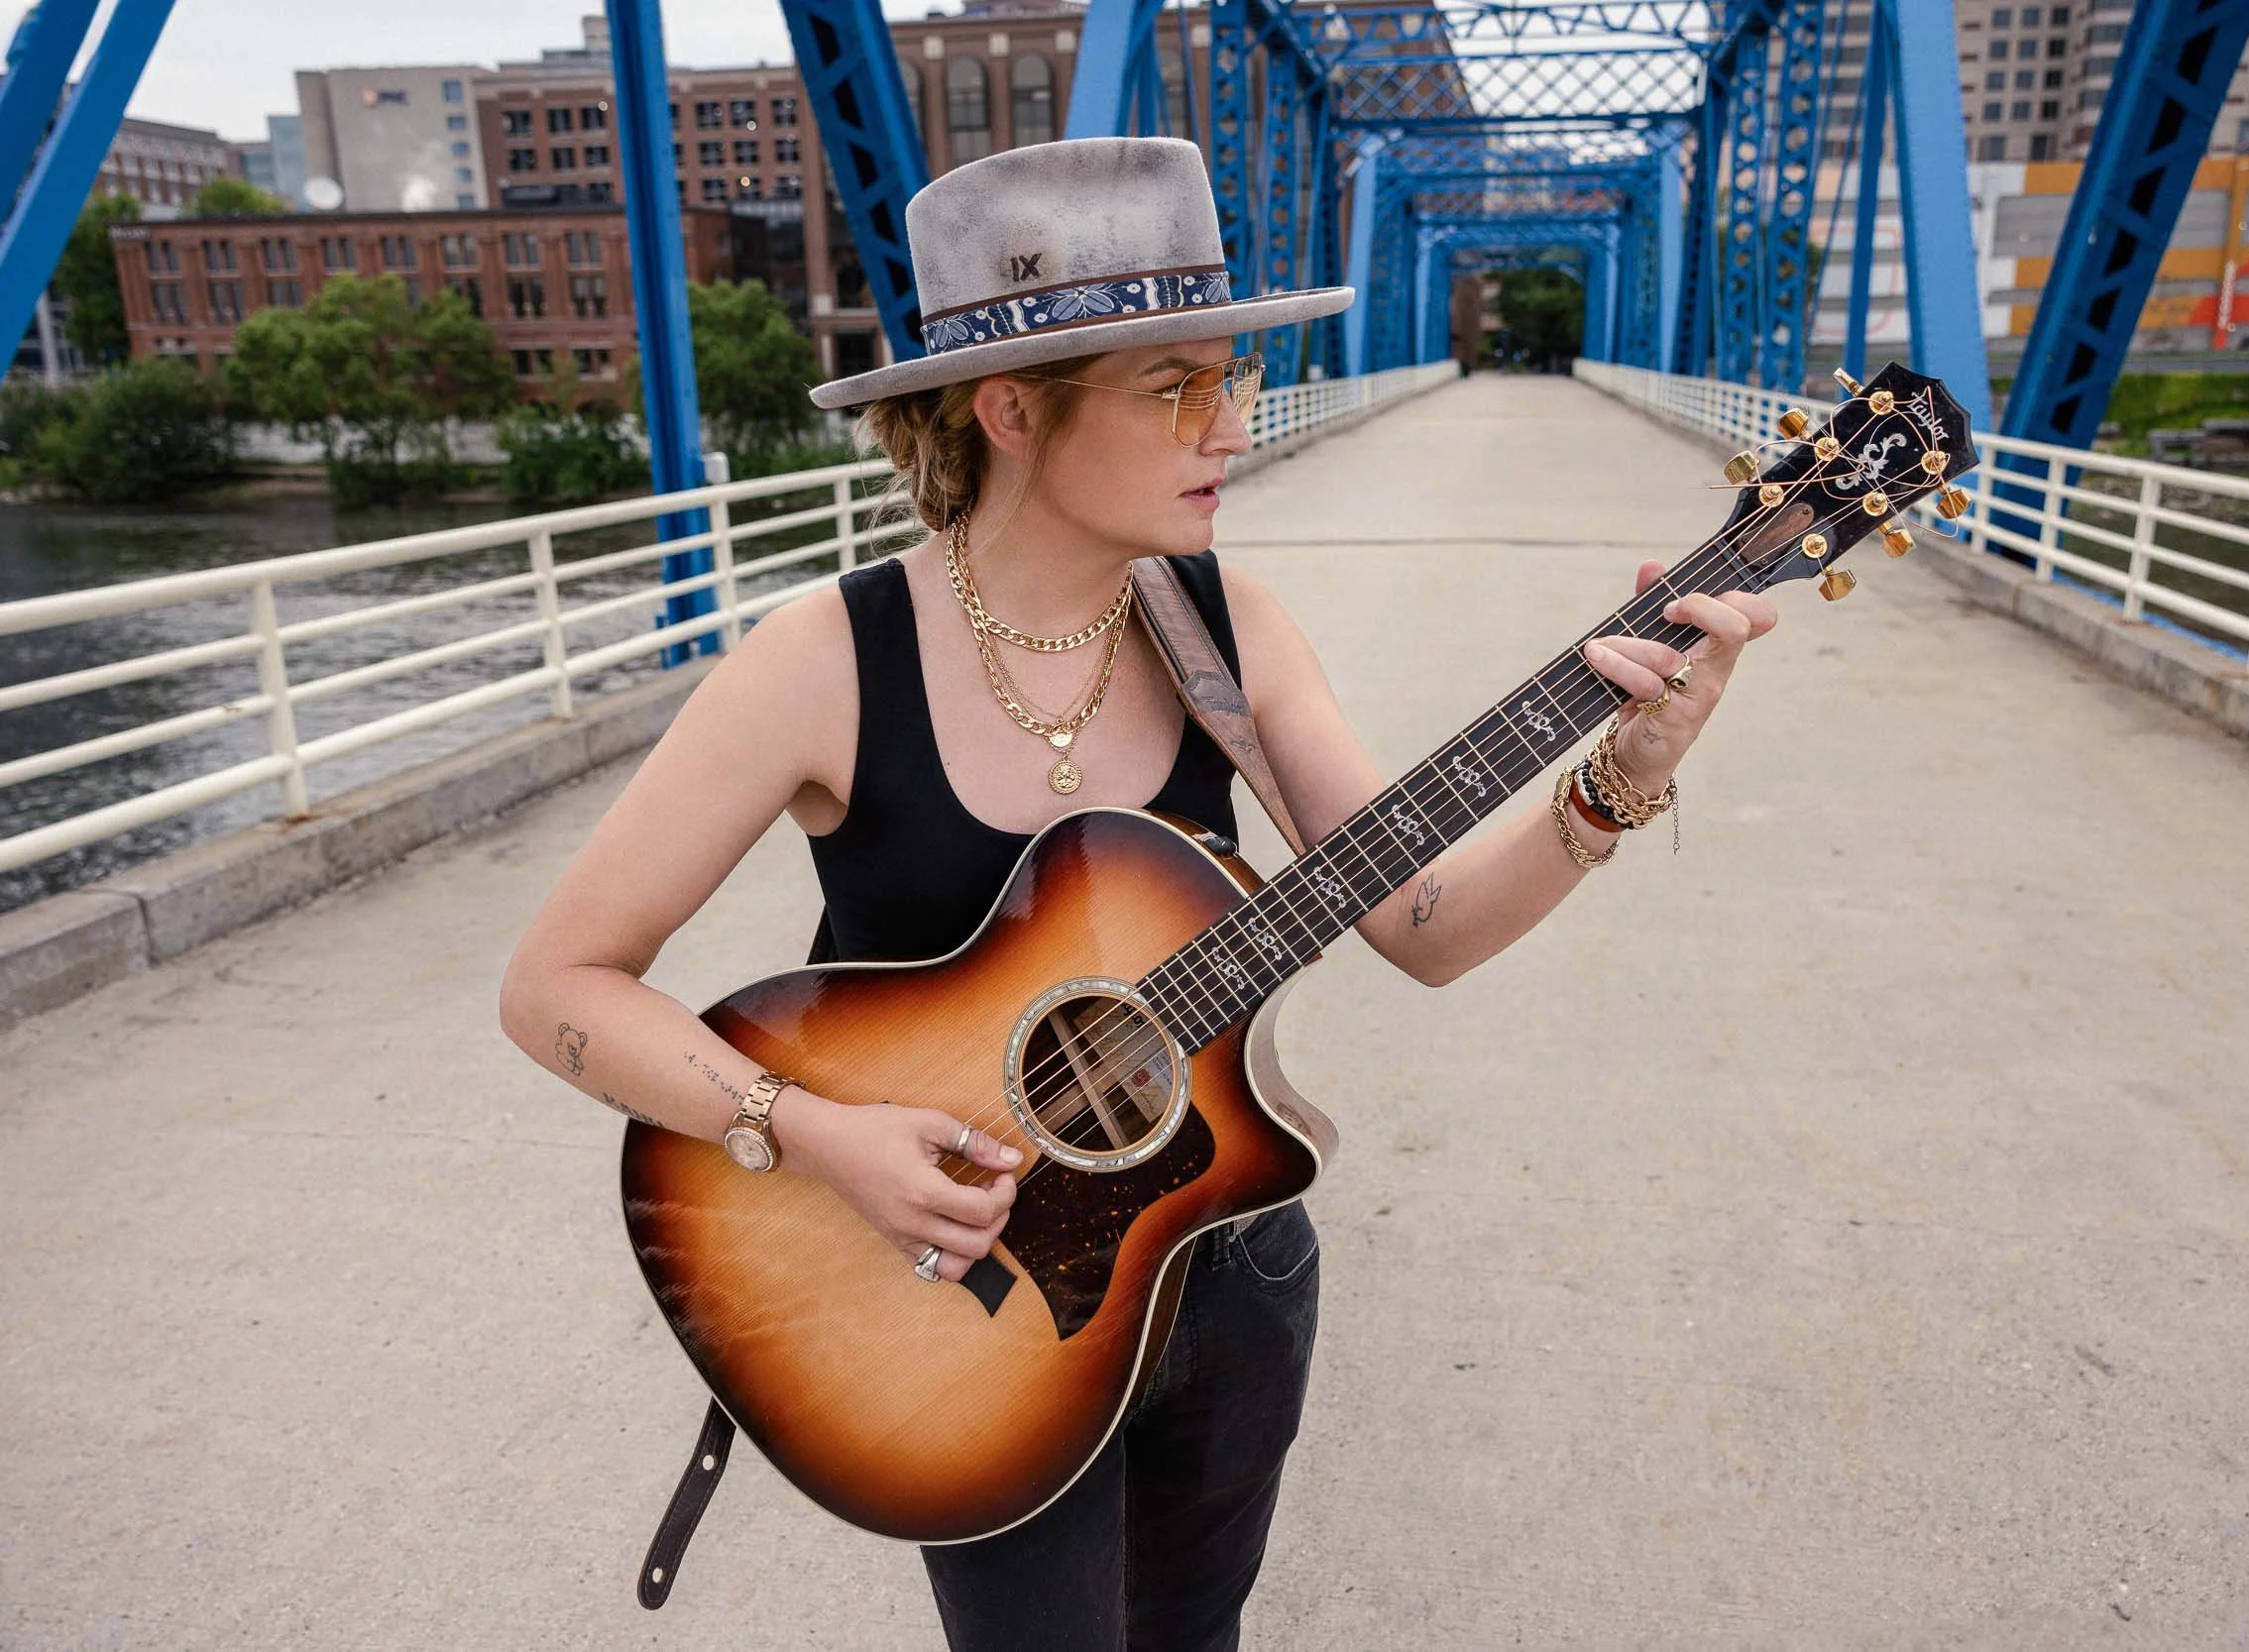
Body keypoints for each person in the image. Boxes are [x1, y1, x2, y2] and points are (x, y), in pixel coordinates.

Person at [497, 136, 1775, 1651]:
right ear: (1012, 410)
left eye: (1230, 378)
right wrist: (817, 1133)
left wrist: (1615, 781)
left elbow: (1421, 929)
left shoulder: (1232, 629)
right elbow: (555, 985)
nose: (1229, 423)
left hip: (1228, 1269)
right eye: (1177, 387)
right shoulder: (825, 661)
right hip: (970, 1314)